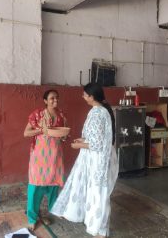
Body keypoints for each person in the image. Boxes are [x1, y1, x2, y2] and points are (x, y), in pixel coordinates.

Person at [50, 83, 118, 238]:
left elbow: (97, 144)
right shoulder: (102, 110)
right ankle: (97, 225)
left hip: (98, 160)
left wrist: (78, 145)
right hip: (100, 158)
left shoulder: (97, 113)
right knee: (97, 192)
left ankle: (99, 229)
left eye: (85, 95)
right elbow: (98, 137)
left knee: (98, 192)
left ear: (92, 97)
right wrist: (83, 139)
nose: (83, 97)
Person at [23, 89, 67, 230]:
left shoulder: (61, 115)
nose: (55, 101)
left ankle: (54, 209)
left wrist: (65, 136)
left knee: (53, 185)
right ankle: (32, 217)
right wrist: (41, 130)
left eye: (56, 98)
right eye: (52, 98)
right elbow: (26, 133)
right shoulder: (38, 114)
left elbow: (63, 135)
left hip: (55, 156)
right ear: (45, 101)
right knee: (36, 186)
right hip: (39, 157)